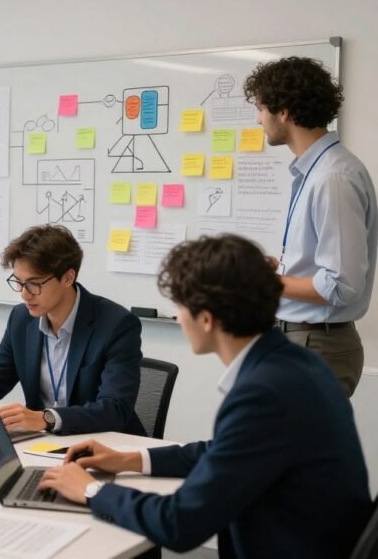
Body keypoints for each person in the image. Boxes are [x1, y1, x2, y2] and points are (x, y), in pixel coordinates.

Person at [38, 234, 371, 559]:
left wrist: (92, 490)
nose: (179, 318)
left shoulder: (264, 393)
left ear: (207, 318)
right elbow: (223, 453)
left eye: (180, 307)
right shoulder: (294, 363)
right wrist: (130, 460)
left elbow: (180, 522)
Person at [244, 56, 376, 396]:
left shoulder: (332, 178)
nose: (258, 119)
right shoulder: (316, 172)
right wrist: (282, 270)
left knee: (296, 448)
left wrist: (270, 284)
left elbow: (342, 284)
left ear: (284, 110)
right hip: (303, 338)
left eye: (260, 108)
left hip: (317, 343)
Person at [0, 225, 144, 436]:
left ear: (68, 278)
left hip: (104, 446)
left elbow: (114, 409)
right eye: (19, 282)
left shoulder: (116, 325)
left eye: (34, 284)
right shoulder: (21, 319)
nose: (24, 295)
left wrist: (47, 418)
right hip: (43, 444)